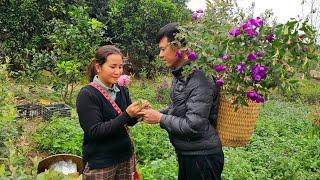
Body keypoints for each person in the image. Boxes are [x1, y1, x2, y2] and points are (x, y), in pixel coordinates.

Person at [139, 23, 224, 180]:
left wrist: (160, 118)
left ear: (180, 47)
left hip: (202, 158)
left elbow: (194, 125)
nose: (160, 54)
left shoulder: (199, 77)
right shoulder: (182, 74)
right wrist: (155, 113)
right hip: (189, 153)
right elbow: (177, 108)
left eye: (163, 49)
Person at [76, 45, 146, 180]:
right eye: (112, 67)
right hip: (102, 162)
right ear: (98, 67)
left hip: (124, 158)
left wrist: (139, 113)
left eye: (120, 67)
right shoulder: (88, 95)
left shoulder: (122, 90)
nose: (118, 71)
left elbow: (128, 122)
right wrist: (126, 114)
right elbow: (95, 131)